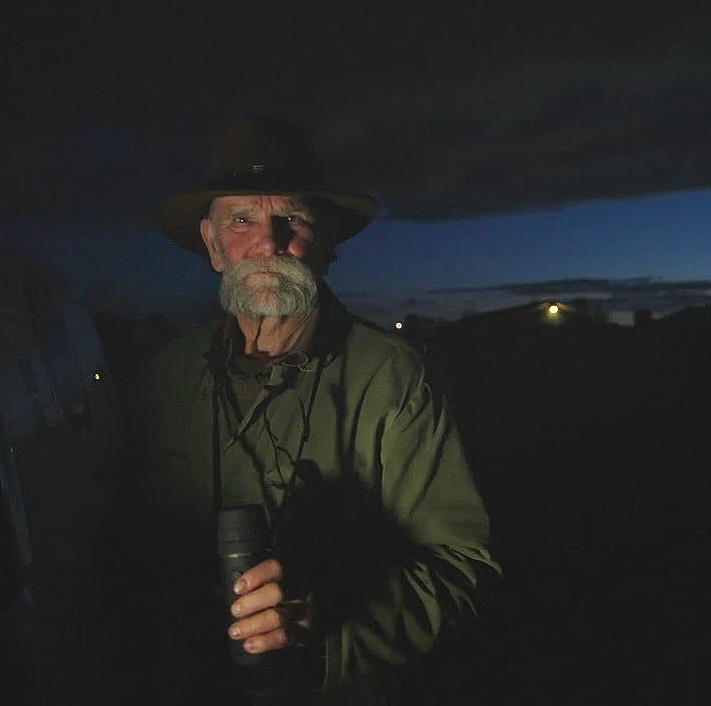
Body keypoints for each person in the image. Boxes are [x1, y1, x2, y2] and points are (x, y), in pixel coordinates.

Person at [134, 114, 499, 705]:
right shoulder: (165, 374)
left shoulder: (393, 374)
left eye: (293, 219)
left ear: (326, 240)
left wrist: (326, 625)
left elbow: (461, 564)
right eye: (243, 219)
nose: (269, 243)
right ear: (212, 244)